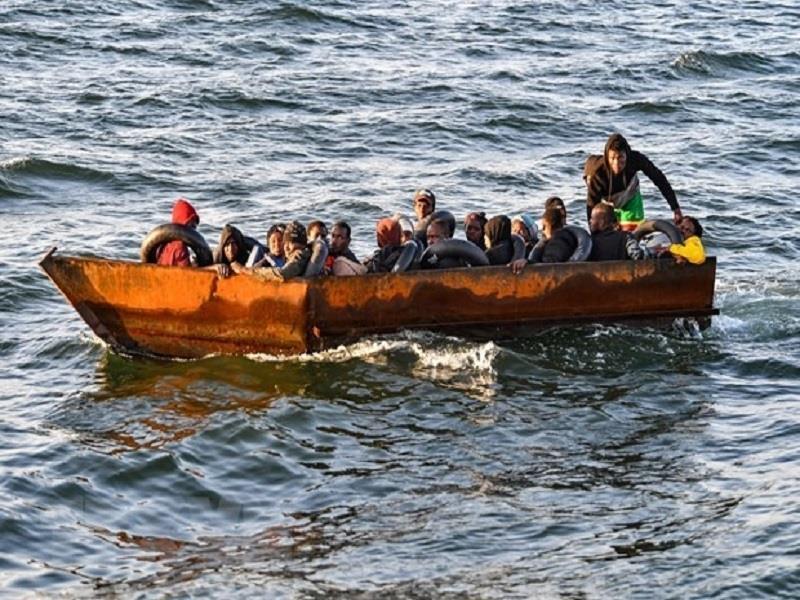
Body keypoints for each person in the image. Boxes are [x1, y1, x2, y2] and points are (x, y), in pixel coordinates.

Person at [584, 132, 682, 231]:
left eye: (620, 158)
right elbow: (591, 206)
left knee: (630, 236)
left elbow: (659, 179)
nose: (616, 164)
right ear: (606, 157)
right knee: (604, 232)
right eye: (612, 158)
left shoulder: (636, 159)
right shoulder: (597, 173)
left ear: (627, 154)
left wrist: (675, 208)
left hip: (629, 195)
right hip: (606, 200)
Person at [232, 221, 311, 281]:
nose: (286, 248)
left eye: (291, 243)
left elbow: (281, 274)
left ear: (301, 244)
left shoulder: (300, 255)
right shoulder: (299, 254)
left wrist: (244, 270)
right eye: (285, 243)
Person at [511, 207, 577, 273]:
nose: (543, 230)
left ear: (548, 226)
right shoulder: (562, 238)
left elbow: (548, 265)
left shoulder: (558, 242)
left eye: (544, 226)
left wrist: (527, 262)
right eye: (514, 231)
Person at [156, 198, 200, 267]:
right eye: (191, 224)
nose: (194, 228)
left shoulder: (163, 244)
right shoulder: (180, 247)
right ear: (183, 224)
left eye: (195, 225)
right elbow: (187, 274)